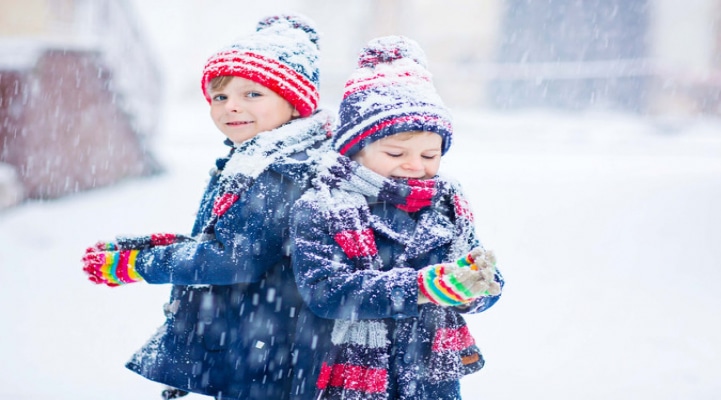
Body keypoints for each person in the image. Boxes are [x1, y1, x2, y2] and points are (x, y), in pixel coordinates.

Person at [81, 14, 333, 400]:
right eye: (221, 96)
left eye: (252, 94)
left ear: (295, 102)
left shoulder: (281, 170)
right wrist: (163, 245)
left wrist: (136, 265)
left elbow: (234, 259)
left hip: (270, 346)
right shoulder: (256, 157)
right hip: (259, 336)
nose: (231, 107)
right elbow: (234, 239)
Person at [289, 35, 504, 400]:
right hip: (350, 374)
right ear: (354, 149)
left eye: (429, 155)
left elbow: (474, 267)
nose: (414, 165)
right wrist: (419, 288)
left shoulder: (446, 203)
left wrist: (476, 285)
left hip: (430, 372)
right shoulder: (323, 207)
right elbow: (326, 292)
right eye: (395, 152)